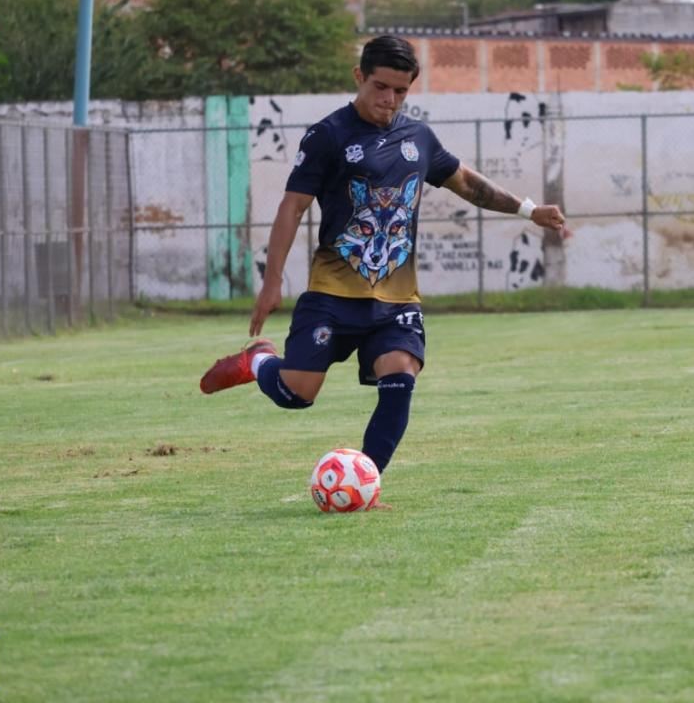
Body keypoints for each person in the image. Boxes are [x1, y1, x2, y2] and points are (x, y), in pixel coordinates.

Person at [200, 35, 567, 491]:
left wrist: (529, 211)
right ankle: (258, 362)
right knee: (298, 394)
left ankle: (362, 485)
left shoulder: (417, 138)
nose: (389, 100)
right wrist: (272, 281)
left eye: (400, 91)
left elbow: (468, 183)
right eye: (380, 87)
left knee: (400, 371)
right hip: (332, 296)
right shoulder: (327, 135)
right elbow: (292, 207)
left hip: (395, 300)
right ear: (359, 77)